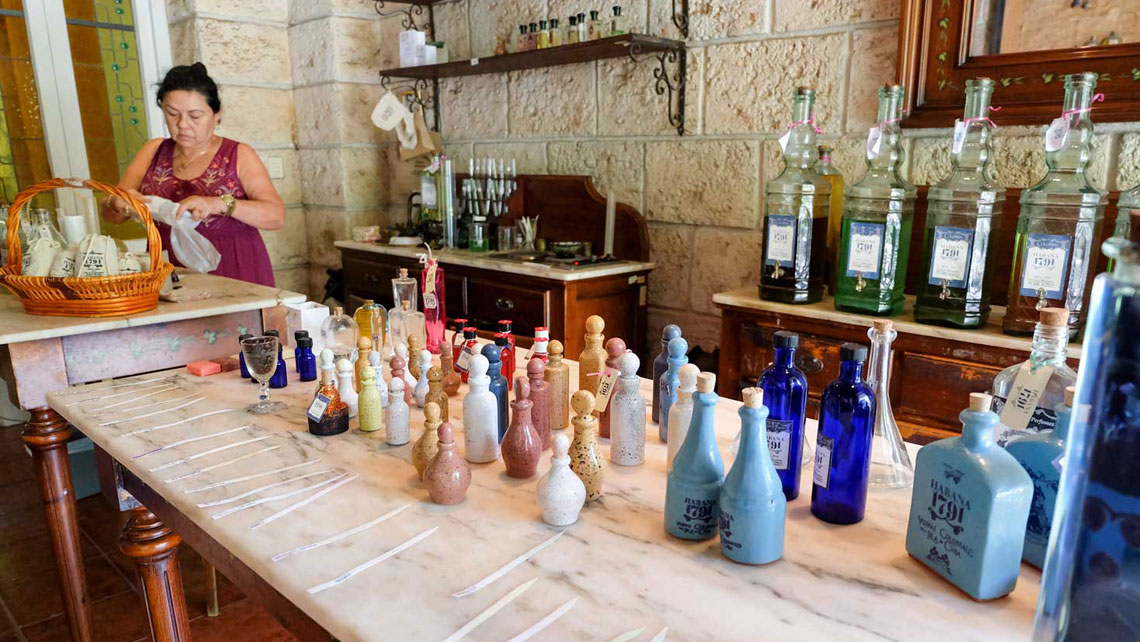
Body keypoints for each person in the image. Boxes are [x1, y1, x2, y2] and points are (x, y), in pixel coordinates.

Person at [103, 62, 283, 286]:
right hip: (169, 270)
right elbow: (112, 215)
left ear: (216, 114)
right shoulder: (154, 151)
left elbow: (275, 216)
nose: (183, 125)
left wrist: (218, 204)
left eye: (195, 116)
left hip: (234, 269)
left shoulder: (238, 154)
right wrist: (118, 202)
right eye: (172, 114)